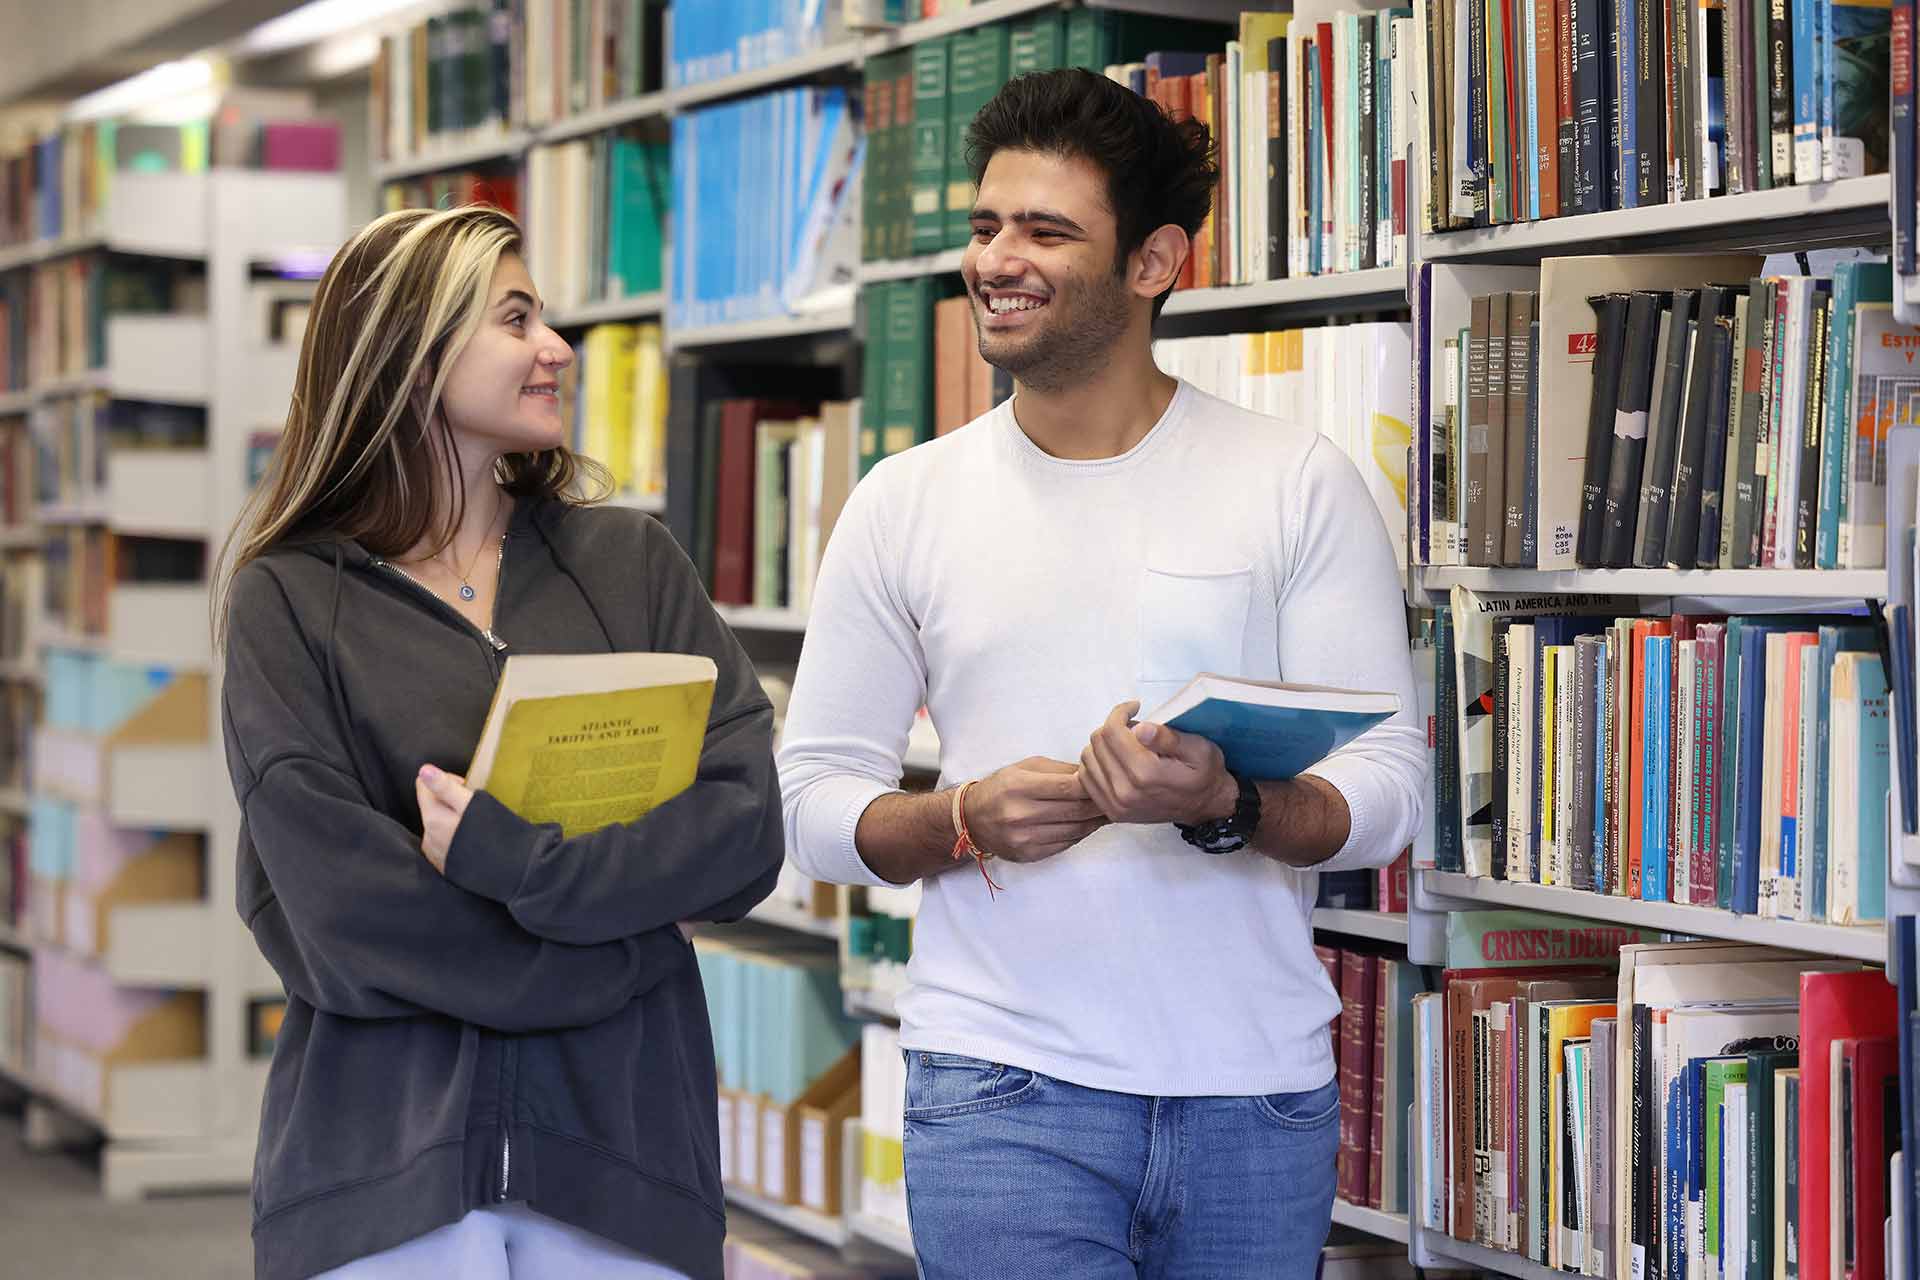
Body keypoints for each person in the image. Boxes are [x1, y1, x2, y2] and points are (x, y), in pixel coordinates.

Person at [776, 69, 1427, 1279]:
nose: (996, 259)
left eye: (1045, 229)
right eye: (983, 226)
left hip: (1256, 1094)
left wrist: (1227, 803)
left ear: (1155, 261)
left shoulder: (1295, 481)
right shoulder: (902, 502)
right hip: (1000, 1086)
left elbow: (1389, 787)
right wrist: (960, 817)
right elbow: (809, 804)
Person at [216, 205, 783, 1280]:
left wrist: (518, 865)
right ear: (410, 354)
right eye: (515, 318)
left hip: (626, 1165)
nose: (556, 348)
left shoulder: (631, 562)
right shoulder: (285, 599)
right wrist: (625, 943)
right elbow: (340, 910)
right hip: (383, 1183)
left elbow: (743, 826)